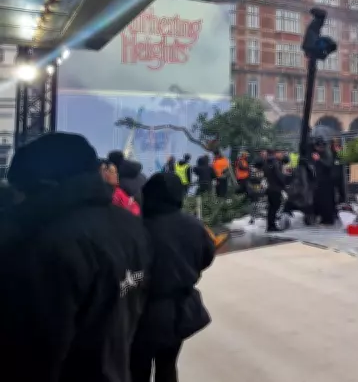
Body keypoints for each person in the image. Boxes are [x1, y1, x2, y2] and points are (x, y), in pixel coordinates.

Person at [0, 133, 151, 382]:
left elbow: (33, 349)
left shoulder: (47, 244)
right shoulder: (130, 226)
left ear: (45, 185)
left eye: (21, 191)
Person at [131, 172, 215, 382]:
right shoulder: (194, 226)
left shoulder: (136, 229)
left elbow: (125, 273)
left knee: (136, 368)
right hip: (180, 308)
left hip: (141, 309)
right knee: (168, 366)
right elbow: (206, 257)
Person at [312, 137, 337, 225]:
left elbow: (328, 165)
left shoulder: (327, 153)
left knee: (327, 201)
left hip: (327, 181)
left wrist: (319, 160)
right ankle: (324, 217)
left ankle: (328, 219)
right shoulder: (319, 153)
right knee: (321, 200)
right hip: (321, 180)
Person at [264, 149, 287, 232]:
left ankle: (270, 225)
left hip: (270, 187)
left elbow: (266, 174)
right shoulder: (276, 163)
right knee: (275, 207)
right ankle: (272, 226)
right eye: (281, 153)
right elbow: (279, 175)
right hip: (276, 188)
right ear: (276, 153)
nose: (282, 155)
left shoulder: (267, 162)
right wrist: (285, 183)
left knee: (271, 208)